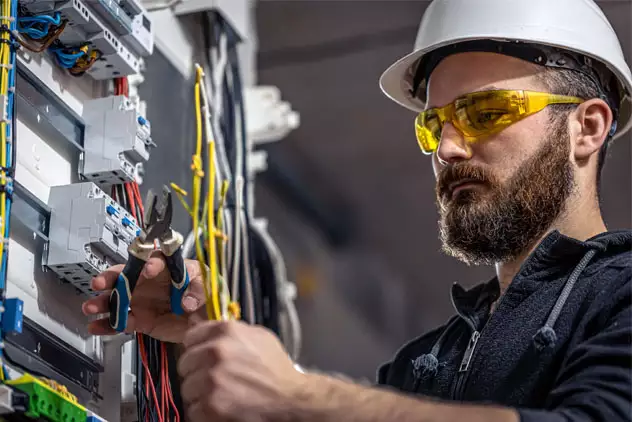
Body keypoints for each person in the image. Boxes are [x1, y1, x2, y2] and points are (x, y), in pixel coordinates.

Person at [82, 0, 632, 421]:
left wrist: (298, 394)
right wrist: (210, 342)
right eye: (434, 124)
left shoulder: (619, 297)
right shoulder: (424, 364)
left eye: (484, 111)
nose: (447, 149)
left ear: (586, 128)